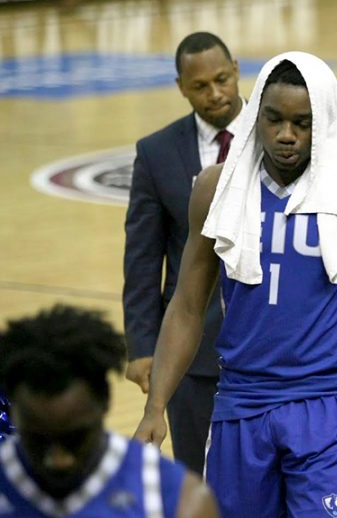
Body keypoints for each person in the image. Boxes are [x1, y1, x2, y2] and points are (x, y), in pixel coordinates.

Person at [134, 52, 337, 517]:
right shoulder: (216, 190)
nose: (286, 134)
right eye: (273, 120)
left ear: (325, 123)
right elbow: (188, 306)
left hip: (327, 405)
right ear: (257, 117)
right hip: (240, 404)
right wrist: (156, 407)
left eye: (302, 123)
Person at [123, 31, 242, 475]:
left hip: (273, 338)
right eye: (200, 86)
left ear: (236, 70)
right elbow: (142, 256)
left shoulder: (278, 130)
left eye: (223, 79)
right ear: (181, 87)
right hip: (191, 350)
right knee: (196, 477)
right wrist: (141, 345)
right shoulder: (156, 153)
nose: (215, 94)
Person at [0, 304, 218, 517]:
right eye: (38, 440)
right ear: (14, 413)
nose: (59, 460)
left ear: (105, 401)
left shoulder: (179, 500)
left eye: (75, 438)